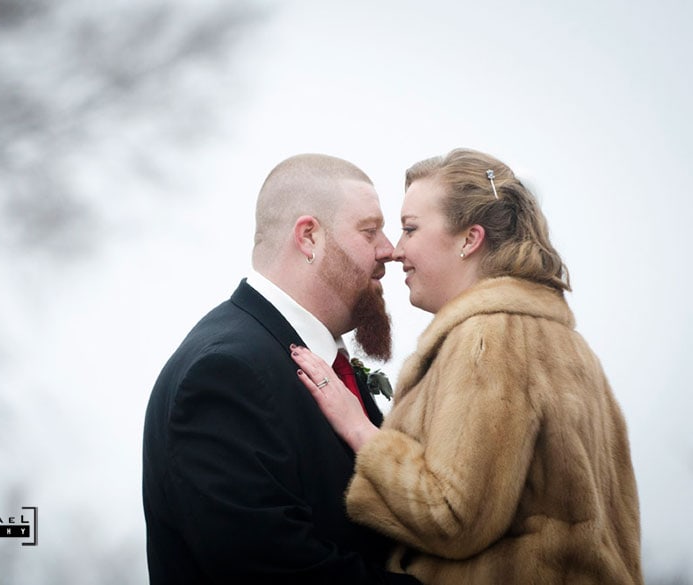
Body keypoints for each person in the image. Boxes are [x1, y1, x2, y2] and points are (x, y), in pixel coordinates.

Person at [292, 148, 643, 584]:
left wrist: (359, 428)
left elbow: (451, 516)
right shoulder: (564, 343)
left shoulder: (489, 339)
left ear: (469, 239)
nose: (396, 251)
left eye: (410, 229)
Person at [142, 154, 417, 584]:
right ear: (309, 237)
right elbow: (273, 568)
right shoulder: (224, 372)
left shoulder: (314, 359)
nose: (390, 250)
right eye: (369, 231)